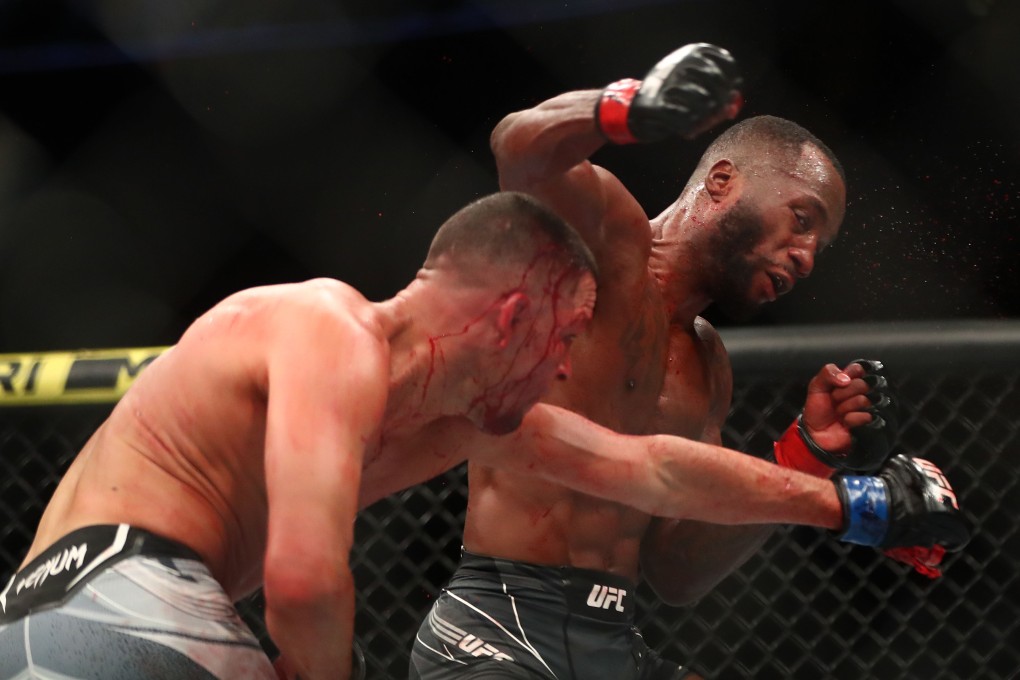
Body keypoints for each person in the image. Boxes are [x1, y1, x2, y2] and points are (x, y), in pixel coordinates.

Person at [409, 44, 966, 679]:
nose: (807, 256)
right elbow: (519, 147)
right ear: (722, 182)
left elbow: (677, 572)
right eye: (800, 219)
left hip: (612, 642)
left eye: (819, 244)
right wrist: (627, 107)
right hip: (501, 626)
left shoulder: (708, 363)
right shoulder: (605, 246)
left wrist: (806, 452)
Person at [0, 192, 600, 680]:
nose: (565, 366)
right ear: (513, 315)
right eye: (567, 338)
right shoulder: (334, 331)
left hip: (27, 608)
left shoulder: (440, 422)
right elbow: (304, 582)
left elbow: (651, 467)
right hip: (143, 598)